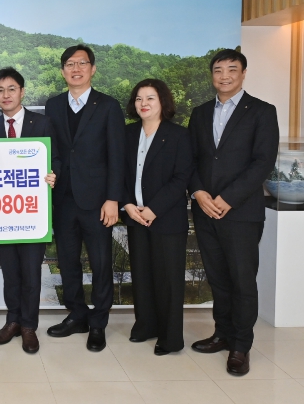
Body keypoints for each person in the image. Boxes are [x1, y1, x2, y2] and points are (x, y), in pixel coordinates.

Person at [188, 49, 278, 376]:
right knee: (218, 278)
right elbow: (191, 159)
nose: (224, 76)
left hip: (240, 212)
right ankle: (222, 334)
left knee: (242, 281)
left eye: (231, 69)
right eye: (218, 70)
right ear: (211, 74)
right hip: (204, 210)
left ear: (243, 73)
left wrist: (228, 198)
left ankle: (241, 345)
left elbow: (263, 162)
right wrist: (199, 193)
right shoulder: (199, 113)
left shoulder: (262, 111)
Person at [44, 44, 125, 352]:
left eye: (82, 63)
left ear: (92, 69)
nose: (75, 69)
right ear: (62, 71)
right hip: (63, 198)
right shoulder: (53, 106)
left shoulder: (108, 106)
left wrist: (113, 198)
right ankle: (77, 314)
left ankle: (99, 322)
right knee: (67, 262)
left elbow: (117, 156)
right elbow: (52, 150)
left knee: (101, 263)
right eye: (69, 64)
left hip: (98, 201)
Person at [0, 68, 59, 354]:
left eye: (11, 89)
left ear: (22, 92)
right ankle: (12, 321)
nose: (6, 95)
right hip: (3, 214)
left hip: (33, 213)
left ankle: (28, 326)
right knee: (11, 272)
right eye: (0, 90)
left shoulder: (43, 123)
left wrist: (54, 175)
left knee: (30, 272)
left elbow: (56, 159)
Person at [121, 79, 193, 356]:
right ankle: (146, 326)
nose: (144, 103)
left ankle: (170, 338)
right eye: (139, 98)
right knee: (142, 275)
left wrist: (154, 209)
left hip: (166, 218)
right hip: (135, 216)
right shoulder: (128, 134)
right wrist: (128, 204)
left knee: (168, 281)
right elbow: (120, 172)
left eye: (150, 98)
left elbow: (181, 178)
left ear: (163, 101)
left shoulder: (178, 135)